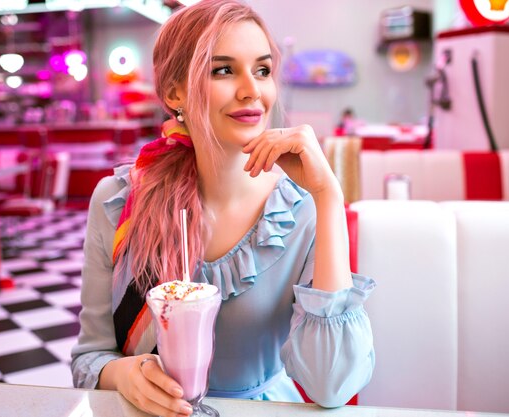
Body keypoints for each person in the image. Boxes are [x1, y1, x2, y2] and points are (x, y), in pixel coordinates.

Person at [71, 1, 376, 416]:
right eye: (224, 70)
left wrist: (329, 196)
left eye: (263, 70)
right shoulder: (121, 203)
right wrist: (125, 375)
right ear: (174, 93)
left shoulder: (300, 211)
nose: (253, 90)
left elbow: (332, 385)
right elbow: (90, 359)